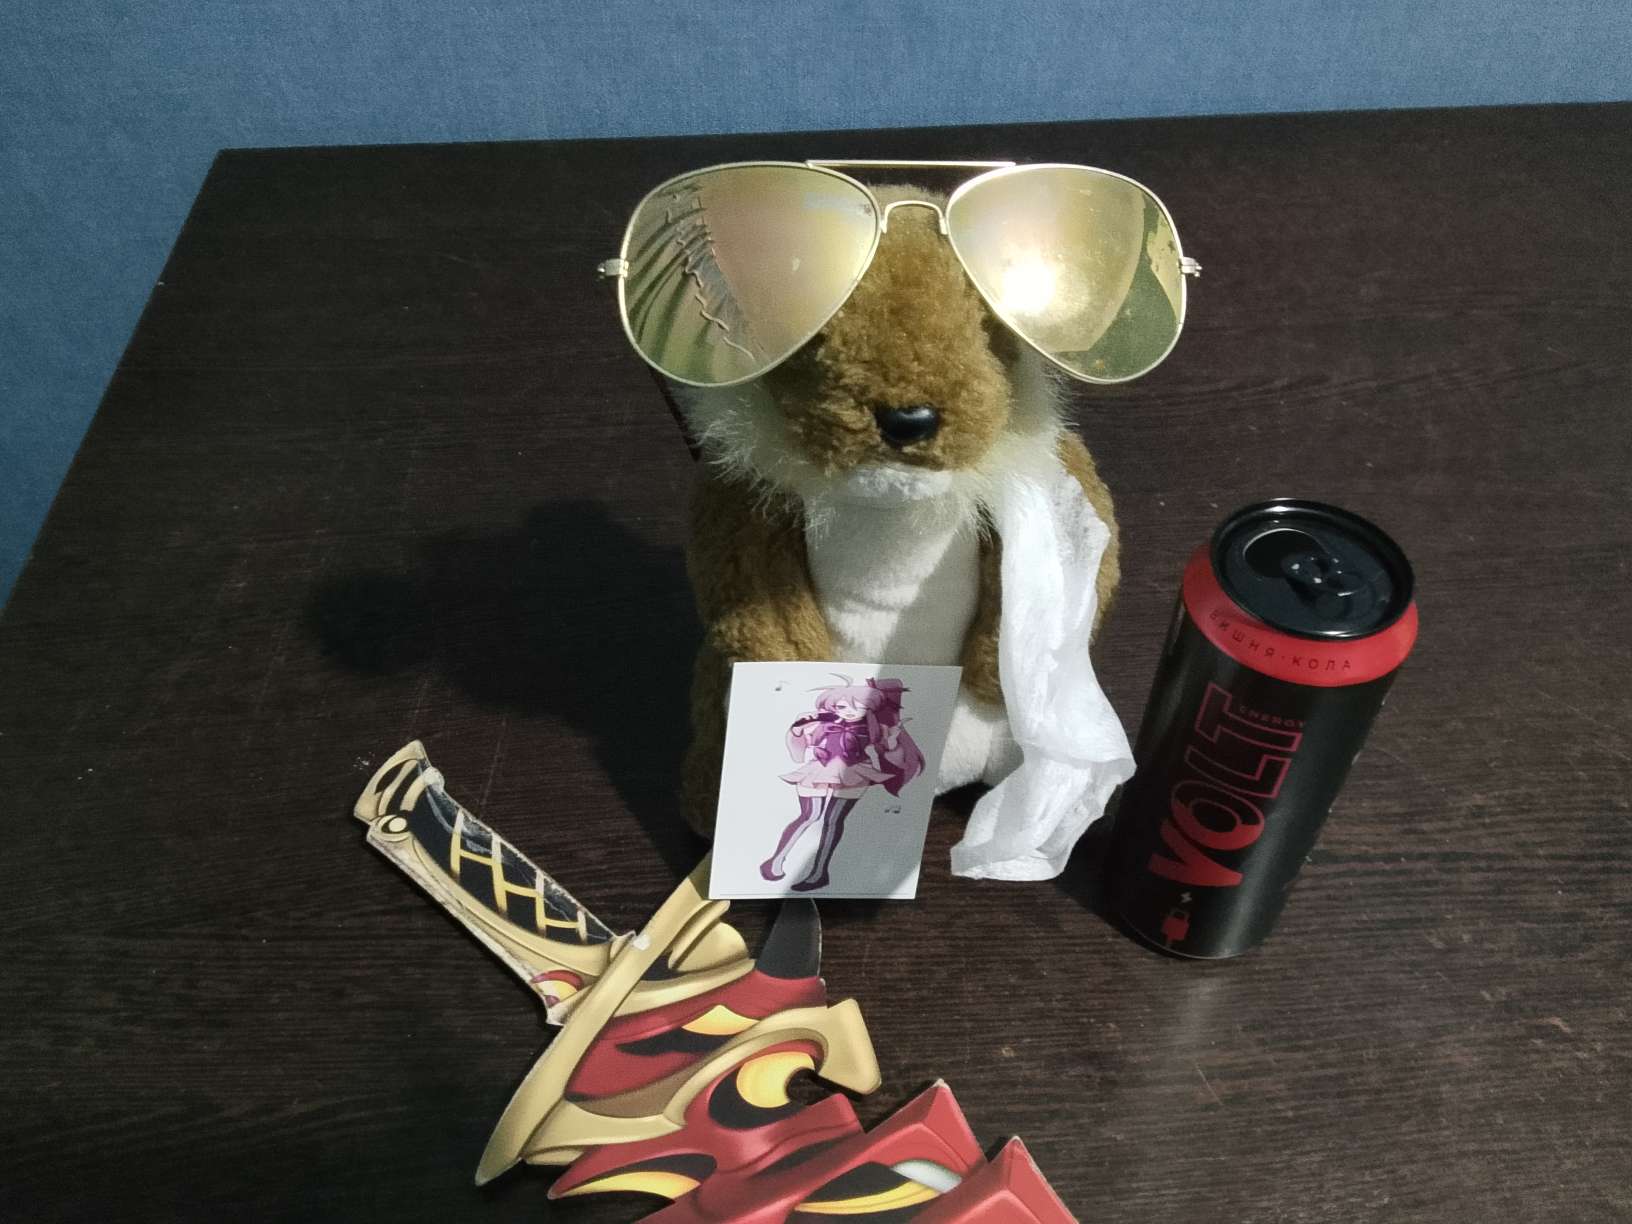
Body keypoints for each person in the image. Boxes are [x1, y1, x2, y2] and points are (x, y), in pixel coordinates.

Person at [761, 677, 924, 890]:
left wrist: (892, 742)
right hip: (819, 769)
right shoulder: (821, 723)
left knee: (833, 821)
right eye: (842, 706)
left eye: (859, 707)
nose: (850, 711)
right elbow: (798, 748)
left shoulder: (875, 728)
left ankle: (819, 872)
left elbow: (889, 753)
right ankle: (776, 860)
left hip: (855, 772)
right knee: (809, 815)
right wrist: (798, 730)